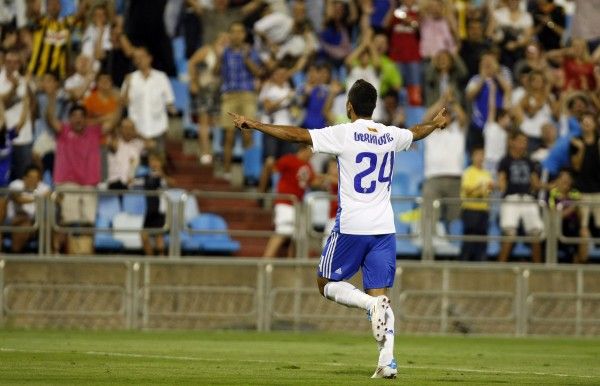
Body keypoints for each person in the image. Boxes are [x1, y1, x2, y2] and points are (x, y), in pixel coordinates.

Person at [229, 78, 451, 379]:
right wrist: (435, 125)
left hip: (351, 225)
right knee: (381, 294)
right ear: (373, 107)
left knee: (325, 283)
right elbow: (416, 132)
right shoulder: (389, 134)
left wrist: (254, 124)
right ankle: (387, 360)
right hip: (384, 227)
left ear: (349, 106)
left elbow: (296, 135)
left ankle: (370, 307)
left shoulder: (344, 133)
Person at [498, 131, 544, 263]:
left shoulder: (529, 161)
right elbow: (502, 181)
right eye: (520, 141)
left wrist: (550, 186)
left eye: (525, 141)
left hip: (528, 199)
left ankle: (538, 269)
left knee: (535, 234)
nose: (523, 144)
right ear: (512, 142)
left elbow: (535, 183)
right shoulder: (505, 161)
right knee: (509, 234)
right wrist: (497, 185)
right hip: (511, 198)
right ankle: (500, 268)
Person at [263, 145, 315, 258]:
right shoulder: (289, 159)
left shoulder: (309, 166)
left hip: (297, 205)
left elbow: (314, 181)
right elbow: (273, 168)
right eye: (311, 151)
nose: (312, 155)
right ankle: (266, 260)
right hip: (285, 201)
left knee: (298, 236)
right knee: (283, 231)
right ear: (304, 149)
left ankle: (292, 264)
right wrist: (263, 188)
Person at [122, 47, 176, 154]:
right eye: (136, 58)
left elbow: (169, 101)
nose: (139, 60)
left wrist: (171, 113)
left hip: (158, 128)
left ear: (149, 58)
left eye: (141, 57)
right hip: (136, 131)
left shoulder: (161, 77)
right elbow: (124, 103)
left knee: (158, 164)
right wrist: (127, 85)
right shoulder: (130, 78)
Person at [569, 112, 600, 262]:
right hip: (580, 191)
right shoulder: (576, 142)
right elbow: (576, 167)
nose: (587, 124)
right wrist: (581, 149)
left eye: (589, 121)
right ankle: (581, 262)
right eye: (584, 122)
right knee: (583, 229)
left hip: (598, 191)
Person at [461, 146, 493, 261]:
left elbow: (489, 190)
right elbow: (467, 190)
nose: (480, 158)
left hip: (483, 209)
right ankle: (464, 264)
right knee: (469, 239)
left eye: (482, 155)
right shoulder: (468, 172)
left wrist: (487, 189)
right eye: (478, 155)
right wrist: (479, 188)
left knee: (482, 240)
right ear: (472, 157)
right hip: (470, 209)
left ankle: (481, 264)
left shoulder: (487, 173)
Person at [7, 164, 50, 253]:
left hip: (34, 221)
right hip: (12, 220)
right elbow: (17, 198)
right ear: (24, 177)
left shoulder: (42, 187)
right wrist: (38, 198)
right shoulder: (16, 184)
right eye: (30, 177)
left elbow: (51, 194)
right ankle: (14, 254)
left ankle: (50, 254)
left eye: (36, 178)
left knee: (46, 223)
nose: (33, 181)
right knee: (25, 222)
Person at [548, 169, 585, 263]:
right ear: (558, 181)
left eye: (568, 180)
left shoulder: (575, 193)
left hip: (573, 226)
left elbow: (580, 216)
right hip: (557, 227)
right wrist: (572, 208)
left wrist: (577, 208)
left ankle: (580, 267)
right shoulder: (553, 193)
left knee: (583, 233)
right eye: (564, 180)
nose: (566, 182)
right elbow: (554, 216)